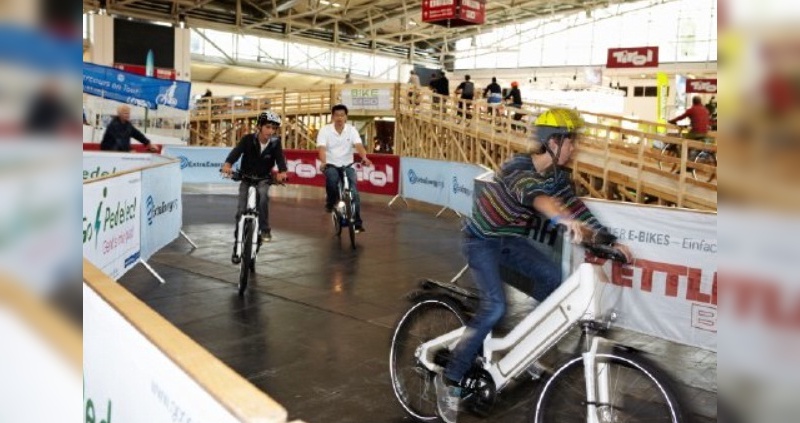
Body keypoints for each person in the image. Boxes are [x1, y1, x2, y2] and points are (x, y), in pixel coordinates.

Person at [433, 108, 632, 423]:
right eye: (571, 142)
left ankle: (527, 351)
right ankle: (452, 379)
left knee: (556, 282)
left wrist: (609, 238)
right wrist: (563, 220)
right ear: (552, 142)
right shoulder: (518, 167)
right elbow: (537, 197)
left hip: (510, 241)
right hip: (481, 241)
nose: (574, 148)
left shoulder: (555, 176)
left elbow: (574, 205)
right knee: (495, 307)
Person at [221, 111, 288, 250]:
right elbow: (236, 152)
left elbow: (280, 159)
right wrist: (228, 164)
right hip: (245, 178)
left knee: (263, 197)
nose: (271, 131)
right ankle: (238, 237)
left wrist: (282, 172)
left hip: (263, 178)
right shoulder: (247, 139)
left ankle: (264, 229)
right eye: (268, 127)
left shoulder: (275, 143)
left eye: (274, 128)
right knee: (241, 209)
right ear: (259, 126)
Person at [317, 104, 372, 233]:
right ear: (332, 117)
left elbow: (358, 145)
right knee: (332, 180)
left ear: (346, 117)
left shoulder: (352, 130)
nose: (339, 118)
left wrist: (364, 157)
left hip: (347, 165)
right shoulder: (325, 130)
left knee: (355, 193)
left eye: (342, 115)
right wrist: (324, 162)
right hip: (331, 164)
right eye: (337, 115)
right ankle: (331, 203)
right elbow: (322, 149)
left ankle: (357, 223)